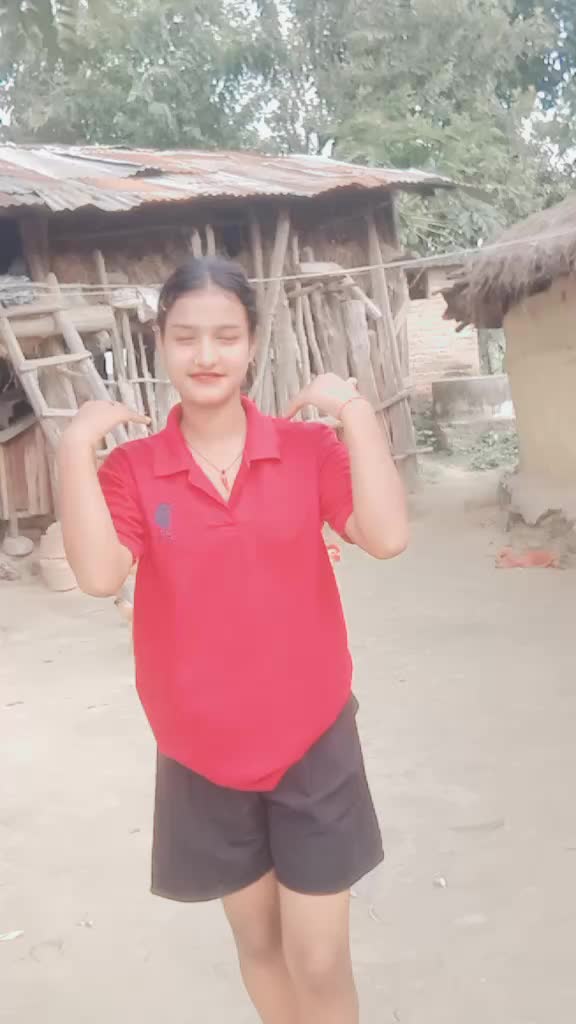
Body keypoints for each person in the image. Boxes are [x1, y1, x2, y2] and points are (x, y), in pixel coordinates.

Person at [58, 257, 408, 1024]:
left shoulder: (305, 450)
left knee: (319, 958)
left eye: (225, 335)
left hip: (312, 739)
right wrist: (73, 451)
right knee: (260, 945)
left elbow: (385, 535)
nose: (206, 354)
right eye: (186, 337)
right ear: (161, 342)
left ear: (252, 342)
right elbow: (98, 574)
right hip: (200, 750)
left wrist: (355, 414)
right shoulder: (136, 470)